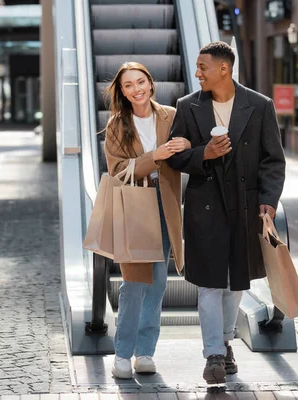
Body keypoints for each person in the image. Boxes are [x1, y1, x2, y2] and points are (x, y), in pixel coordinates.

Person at [166, 41, 286, 384]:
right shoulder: (187, 106)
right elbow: (175, 157)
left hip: (246, 207)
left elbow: (272, 159)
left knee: (235, 284)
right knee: (207, 285)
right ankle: (214, 355)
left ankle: (226, 339)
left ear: (224, 69)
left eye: (203, 67)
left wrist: (269, 199)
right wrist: (205, 153)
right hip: (205, 207)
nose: (196, 73)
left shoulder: (259, 106)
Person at [103, 62, 189, 379]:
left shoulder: (171, 115)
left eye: (141, 82)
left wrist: (184, 146)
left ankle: (146, 352)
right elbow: (118, 172)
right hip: (134, 206)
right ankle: (122, 355)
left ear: (151, 84)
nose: (137, 89)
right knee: (134, 283)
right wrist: (156, 155)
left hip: (164, 204)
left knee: (159, 283)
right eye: (129, 85)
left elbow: (185, 153)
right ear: (122, 92)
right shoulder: (116, 125)